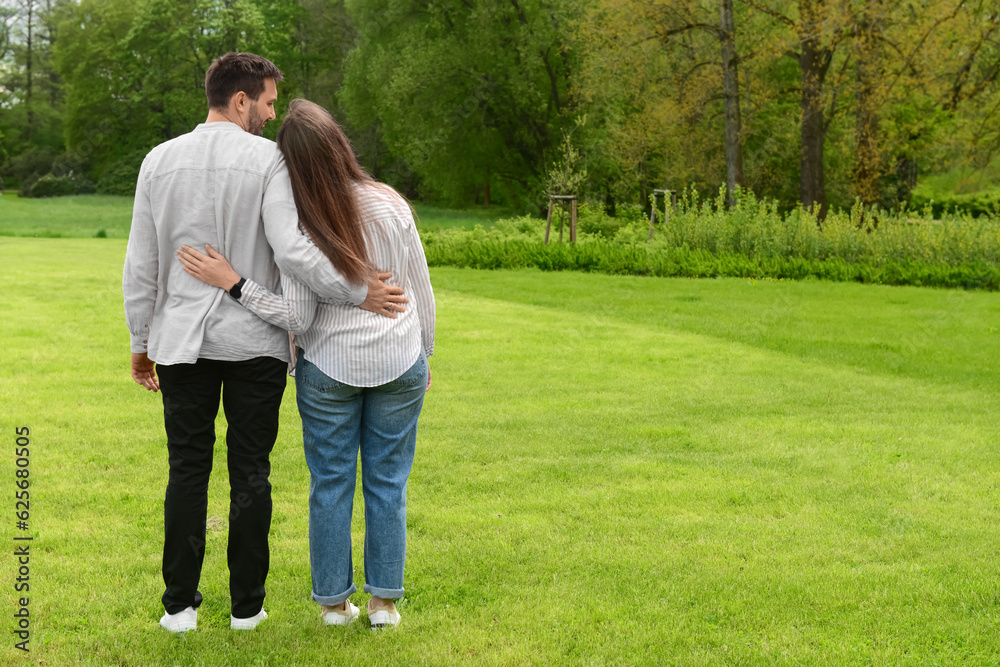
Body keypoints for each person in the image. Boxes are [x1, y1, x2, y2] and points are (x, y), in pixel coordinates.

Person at [124, 53, 406, 634]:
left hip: (180, 342)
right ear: (241, 99)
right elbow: (294, 250)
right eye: (270, 102)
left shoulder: (158, 161)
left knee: (187, 471)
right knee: (250, 471)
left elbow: (142, 264)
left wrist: (140, 340)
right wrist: (358, 290)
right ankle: (246, 610)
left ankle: (178, 609)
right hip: (255, 343)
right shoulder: (269, 161)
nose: (273, 115)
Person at [177, 98, 435, 630]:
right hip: (399, 357)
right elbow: (422, 292)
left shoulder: (303, 223)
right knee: (389, 483)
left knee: (331, 484)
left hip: (329, 366)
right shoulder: (390, 202)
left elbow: (295, 314)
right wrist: (424, 354)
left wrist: (236, 285)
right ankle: (385, 605)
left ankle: (334, 604)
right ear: (339, 144)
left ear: (290, 162)